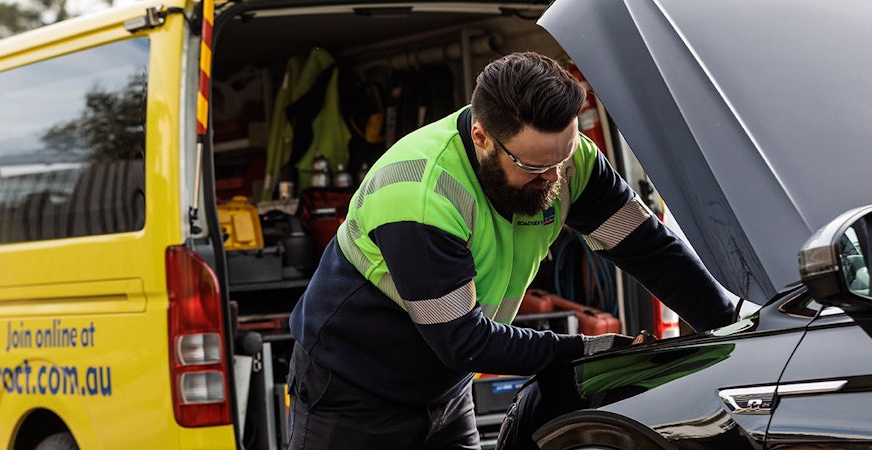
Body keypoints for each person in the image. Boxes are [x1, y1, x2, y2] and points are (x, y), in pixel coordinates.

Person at [286, 52, 735, 449]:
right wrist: (587, 349)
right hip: (352, 393)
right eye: (535, 166)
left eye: (563, 157)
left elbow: (651, 250)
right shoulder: (421, 193)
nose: (555, 178)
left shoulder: (567, 159)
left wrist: (732, 331)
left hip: (445, 391)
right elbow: (465, 342)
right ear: (482, 138)